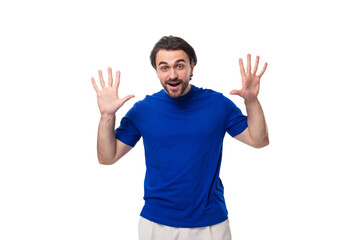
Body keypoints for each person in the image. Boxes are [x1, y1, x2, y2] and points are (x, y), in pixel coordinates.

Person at [91, 36, 269, 240]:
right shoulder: (143, 110)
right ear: (157, 71)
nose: (173, 75)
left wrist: (252, 101)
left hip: (211, 224)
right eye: (164, 67)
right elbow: (107, 157)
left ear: (192, 67)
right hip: (156, 225)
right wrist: (106, 116)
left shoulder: (218, 105)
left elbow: (259, 140)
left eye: (180, 66)